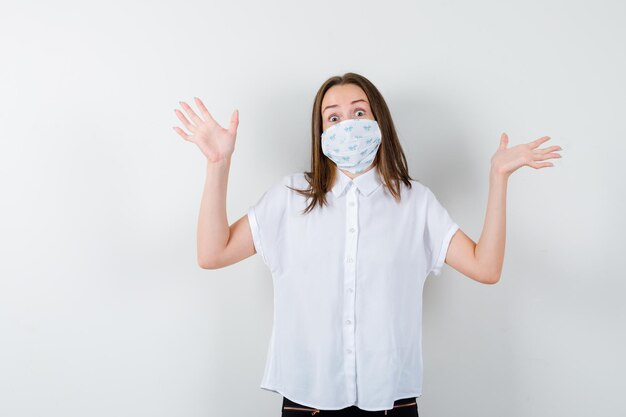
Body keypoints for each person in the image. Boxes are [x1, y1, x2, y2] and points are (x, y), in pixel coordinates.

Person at [173, 72, 562, 416]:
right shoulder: (290, 197)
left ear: (378, 122)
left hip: (392, 403)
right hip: (308, 401)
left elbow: (486, 267)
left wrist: (498, 177)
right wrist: (218, 164)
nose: (347, 124)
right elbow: (213, 253)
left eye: (359, 112)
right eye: (333, 117)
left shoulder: (415, 203)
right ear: (321, 132)